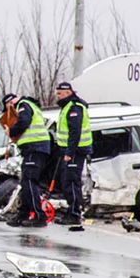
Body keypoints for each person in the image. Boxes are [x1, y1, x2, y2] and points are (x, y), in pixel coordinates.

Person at [1, 93, 51, 228]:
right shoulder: (30, 105)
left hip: (35, 147)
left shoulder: (23, 105)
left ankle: (39, 216)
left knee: (29, 182)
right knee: (26, 182)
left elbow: (24, 122)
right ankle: (23, 214)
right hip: (34, 148)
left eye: (8, 108)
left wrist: (10, 131)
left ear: (10, 103)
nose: (9, 112)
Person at [54, 82, 92, 226]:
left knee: (72, 182)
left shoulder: (74, 107)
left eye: (59, 94)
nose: (57, 96)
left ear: (68, 93)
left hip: (76, 151)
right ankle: (72, 210)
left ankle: (75, 213)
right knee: (67, 181)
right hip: (69, 150)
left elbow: (75, 132)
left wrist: (69, 152)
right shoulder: (67, 107)